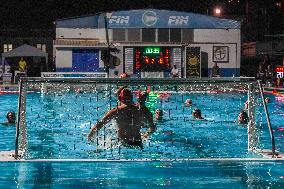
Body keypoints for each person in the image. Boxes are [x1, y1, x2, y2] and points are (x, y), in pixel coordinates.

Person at [88, 88, 155, 148]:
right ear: (132, 98)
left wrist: (90, 136)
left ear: (120, 99)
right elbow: (152, 128)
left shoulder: (115, 111)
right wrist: (145, 136)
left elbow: (100, 124)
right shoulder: (142, 110)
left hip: (123, 145)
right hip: (138, 144)